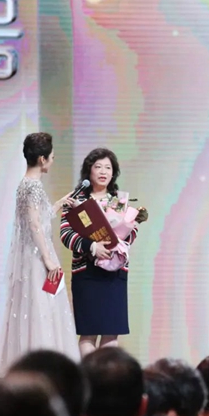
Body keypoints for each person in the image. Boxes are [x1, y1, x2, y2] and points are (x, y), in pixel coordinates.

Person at [0, 132, 80, 375]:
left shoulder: (26, 184)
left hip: (33, 255)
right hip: (38, 258)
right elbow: (34, 225)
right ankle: (44, 371)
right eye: (51, 156)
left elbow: (40, 218)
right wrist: (49, 260)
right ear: (42, 159)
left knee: (33, 309)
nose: (52, 160)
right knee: (41, 309)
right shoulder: (32, 186)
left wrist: (60, 203)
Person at [60, 148, 145, 356]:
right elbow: (65, 234)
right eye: (98, 167)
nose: (103, 172)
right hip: (86, 273)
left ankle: (105, 376)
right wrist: (93, 247)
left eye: (108, 167)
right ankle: (89, 376)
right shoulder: (75, 200)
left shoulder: (119, 200)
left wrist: (121, 239)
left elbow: (131, 232)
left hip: (114, 273)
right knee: (88, 333)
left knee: (111, 333)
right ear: (89, 171)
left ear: (113, 172)